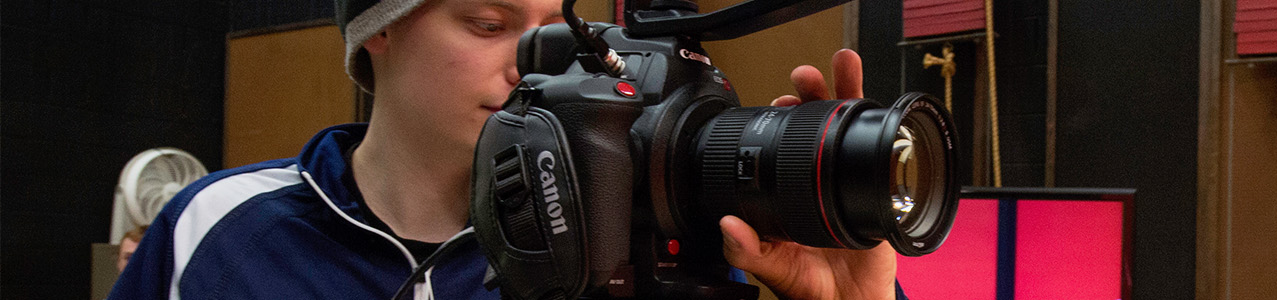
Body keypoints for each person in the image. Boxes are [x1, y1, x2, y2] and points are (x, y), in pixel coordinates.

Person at [109, 0, 900, 299]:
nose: (533, 61)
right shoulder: (211, 231)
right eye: (487, 24)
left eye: (552, 27)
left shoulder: (646, 245)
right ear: (377, 29)